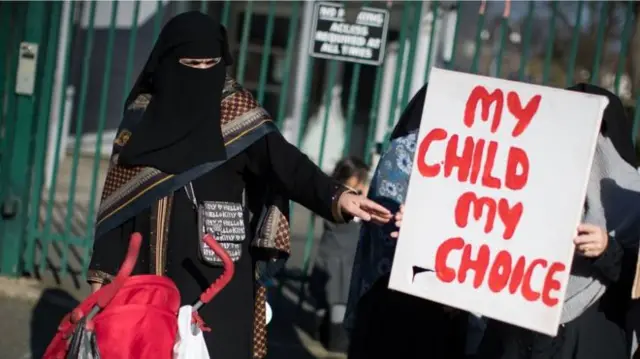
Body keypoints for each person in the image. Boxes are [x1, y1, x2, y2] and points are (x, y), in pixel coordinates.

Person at [86, 12, 391, 359]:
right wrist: (103, 273)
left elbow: (285, 163)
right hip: (144, 276)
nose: (202, 73)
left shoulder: (235, 112)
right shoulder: (141, 117)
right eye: (191, 63)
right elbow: (117, 202)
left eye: (210, 63)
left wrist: (339, 196)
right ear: (168, 62)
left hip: (216, 279)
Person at [388, 84, 640, 359]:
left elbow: (634, 282)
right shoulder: (522, 177)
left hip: (586, 339)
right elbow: (479, 235)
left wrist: (607, 249)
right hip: (513, 336)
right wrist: (423, 226)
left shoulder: (630, 198)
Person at [344, 84, 471, 359]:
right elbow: (385, 220)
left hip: (428, 298)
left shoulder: (469, 160)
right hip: (404, 296)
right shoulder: (410, 152)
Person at [309, 156, 370, 353]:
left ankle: (323, 333)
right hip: (341, 262)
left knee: (325, 301)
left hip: (331, 257)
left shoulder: (331, 196)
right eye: (361, 180)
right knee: (337, 304)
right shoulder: (346, 202)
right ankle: (334, 341)